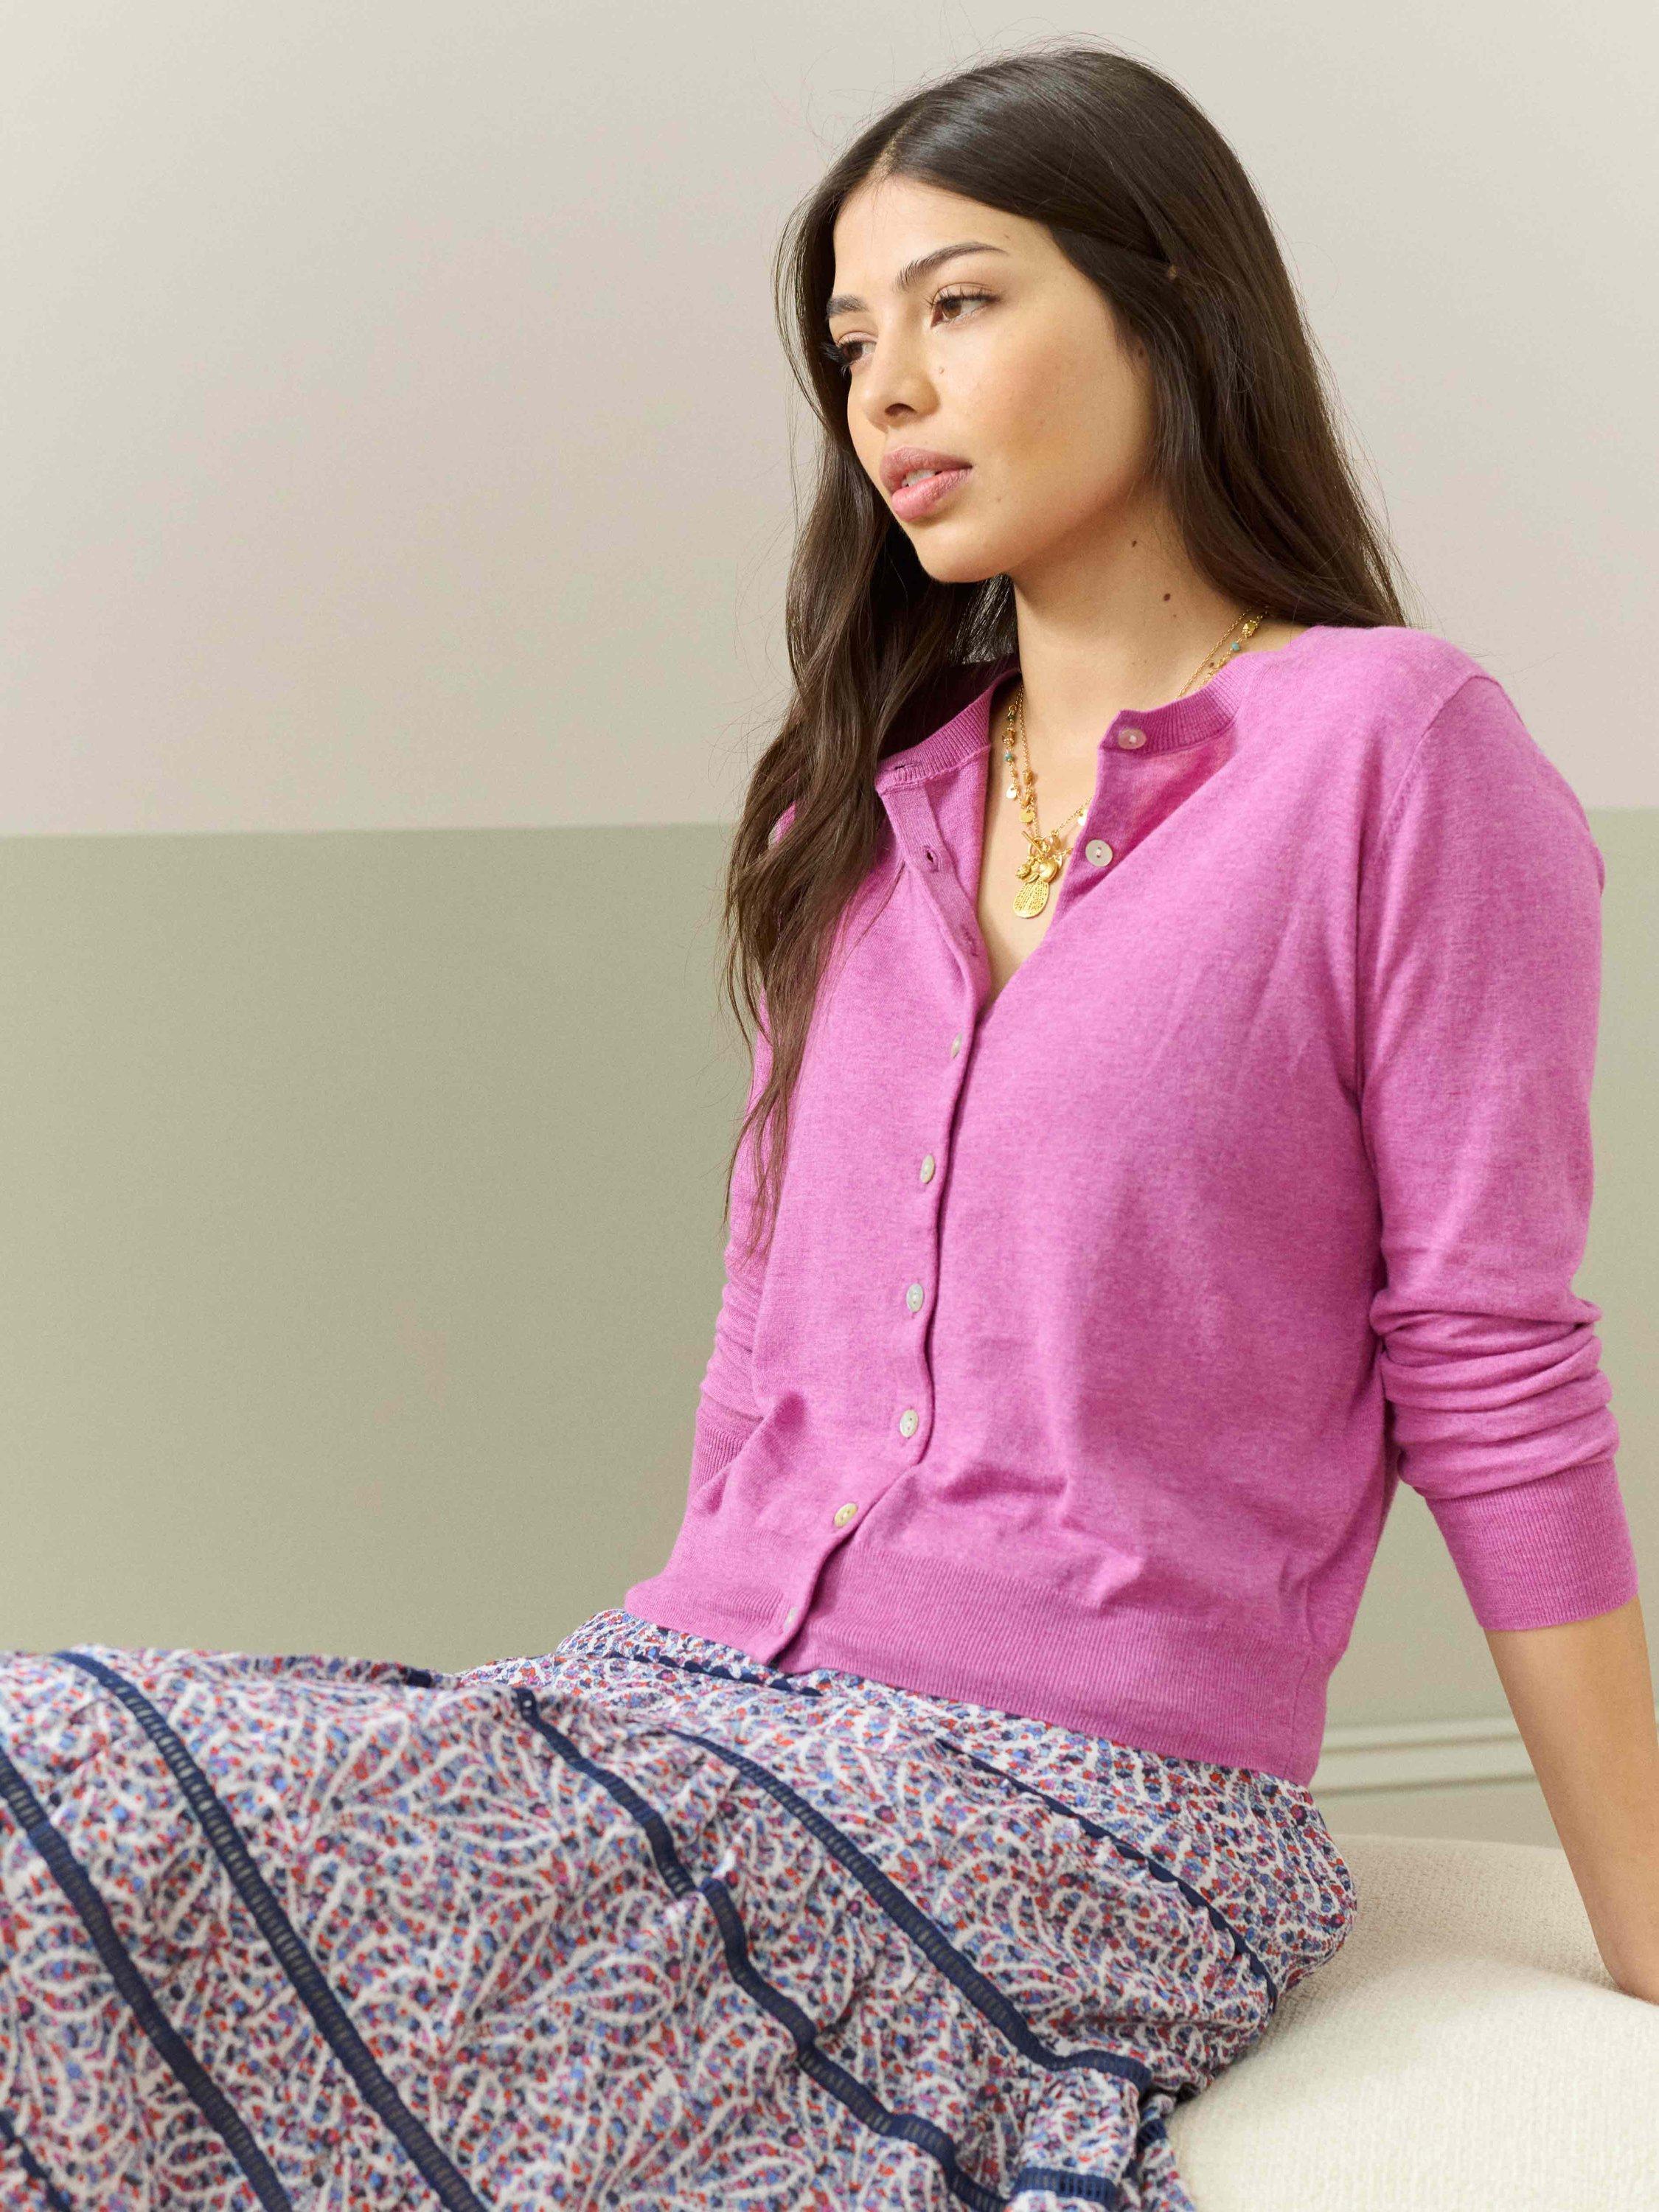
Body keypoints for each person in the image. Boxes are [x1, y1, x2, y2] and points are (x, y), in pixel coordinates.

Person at [2, 36, 1655, 2212]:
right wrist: (619, 1718)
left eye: (959, 305)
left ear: (1174, 308)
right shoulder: (852, 807)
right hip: (689, 1698)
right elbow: (764, 1332)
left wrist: (1641, 1922)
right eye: (853, 342)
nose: (888, 393)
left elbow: (1486, 1354)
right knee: (54, 1761)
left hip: (1077, 1800)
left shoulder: (1394, 751)